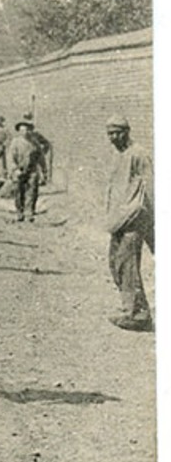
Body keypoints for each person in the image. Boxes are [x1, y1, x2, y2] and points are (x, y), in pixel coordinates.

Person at [104, 116, 154, 332]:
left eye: (118, 132)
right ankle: (130, 307)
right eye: (110, 133)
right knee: (116, 263)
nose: (114, 137)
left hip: (134, 218)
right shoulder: (118, 154)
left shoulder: (139, 154)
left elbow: (151, 187)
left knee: (128, 265)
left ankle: (138, 315)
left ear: (127, 131)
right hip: (119, 219)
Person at [6, 119, 48, 222]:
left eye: (28, 129)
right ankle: (19, 212)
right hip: (19, 170)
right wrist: (14, 170)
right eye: (23, 130)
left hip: (32, 170)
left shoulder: (34, 143)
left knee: (32, 191)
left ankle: (29, 212)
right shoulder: (15, 142)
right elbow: (10, 157)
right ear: (19, 131)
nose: (26, 132)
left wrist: (43, 170)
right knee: (19, 191)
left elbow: (41, 157)